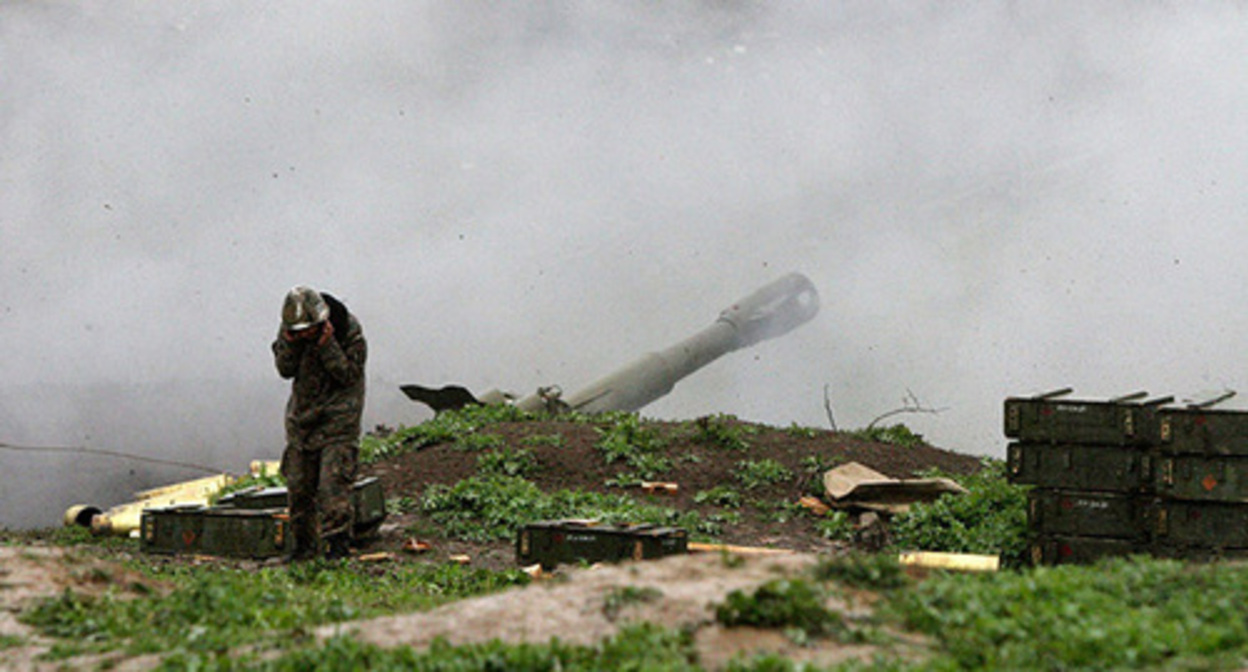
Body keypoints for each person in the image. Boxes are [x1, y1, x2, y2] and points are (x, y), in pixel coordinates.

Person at [272, 286, 367, 560]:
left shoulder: (349, 332)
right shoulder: (291, 330)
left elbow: (348, 375)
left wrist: (328, 346)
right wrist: (290, 344)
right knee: (298, 488)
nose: (303, 336)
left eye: (307, 331)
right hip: (303, 420)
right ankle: (303, 550)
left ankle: (336, 549)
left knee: (332, 487)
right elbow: (284, 370)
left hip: (339, 420)